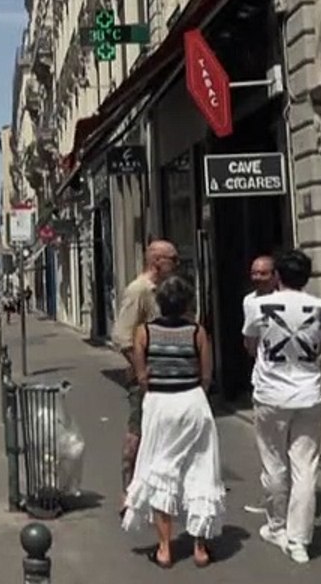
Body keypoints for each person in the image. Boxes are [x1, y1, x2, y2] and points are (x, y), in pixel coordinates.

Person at [122, 276, 224, 568]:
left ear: (160, 304)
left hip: (159, 404)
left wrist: (155, 389)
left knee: (159, 469)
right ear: (187, 304)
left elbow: (141, 376)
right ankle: (200, 549)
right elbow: (206, 375)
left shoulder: (144, 332)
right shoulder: (197, 332)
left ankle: (165, 549)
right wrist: (193, 392)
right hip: (192, 402)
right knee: (200, 469)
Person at [243, 249, 321, 565]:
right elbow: (320, 345)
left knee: (274, 463)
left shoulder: (257, 305)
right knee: (305, 468)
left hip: (271, 394)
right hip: (309, 394)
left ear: (278, 276)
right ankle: (299, 541)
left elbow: (251, 344)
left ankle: (277, 526)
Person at [111, 239, 179, 516]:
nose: (176, 265)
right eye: (173, 259)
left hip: (168, 375)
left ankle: (158, 488)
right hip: (147, 379)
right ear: (157, 261)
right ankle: (127, 492)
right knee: (137, 433)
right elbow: (121, 336)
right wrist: (142, 371)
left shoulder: (163, 290)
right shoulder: (139, 290)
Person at [241, 255, 277, 515]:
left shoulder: (291, 300)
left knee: (280, 450)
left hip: (285, 384)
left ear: (275, 275)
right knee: (269, 449)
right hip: (264, 380)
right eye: (254, 273)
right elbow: (250, 344)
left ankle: (281, 505)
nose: (257, 278)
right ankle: (272, 500)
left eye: (263, 273)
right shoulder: (249, 302)